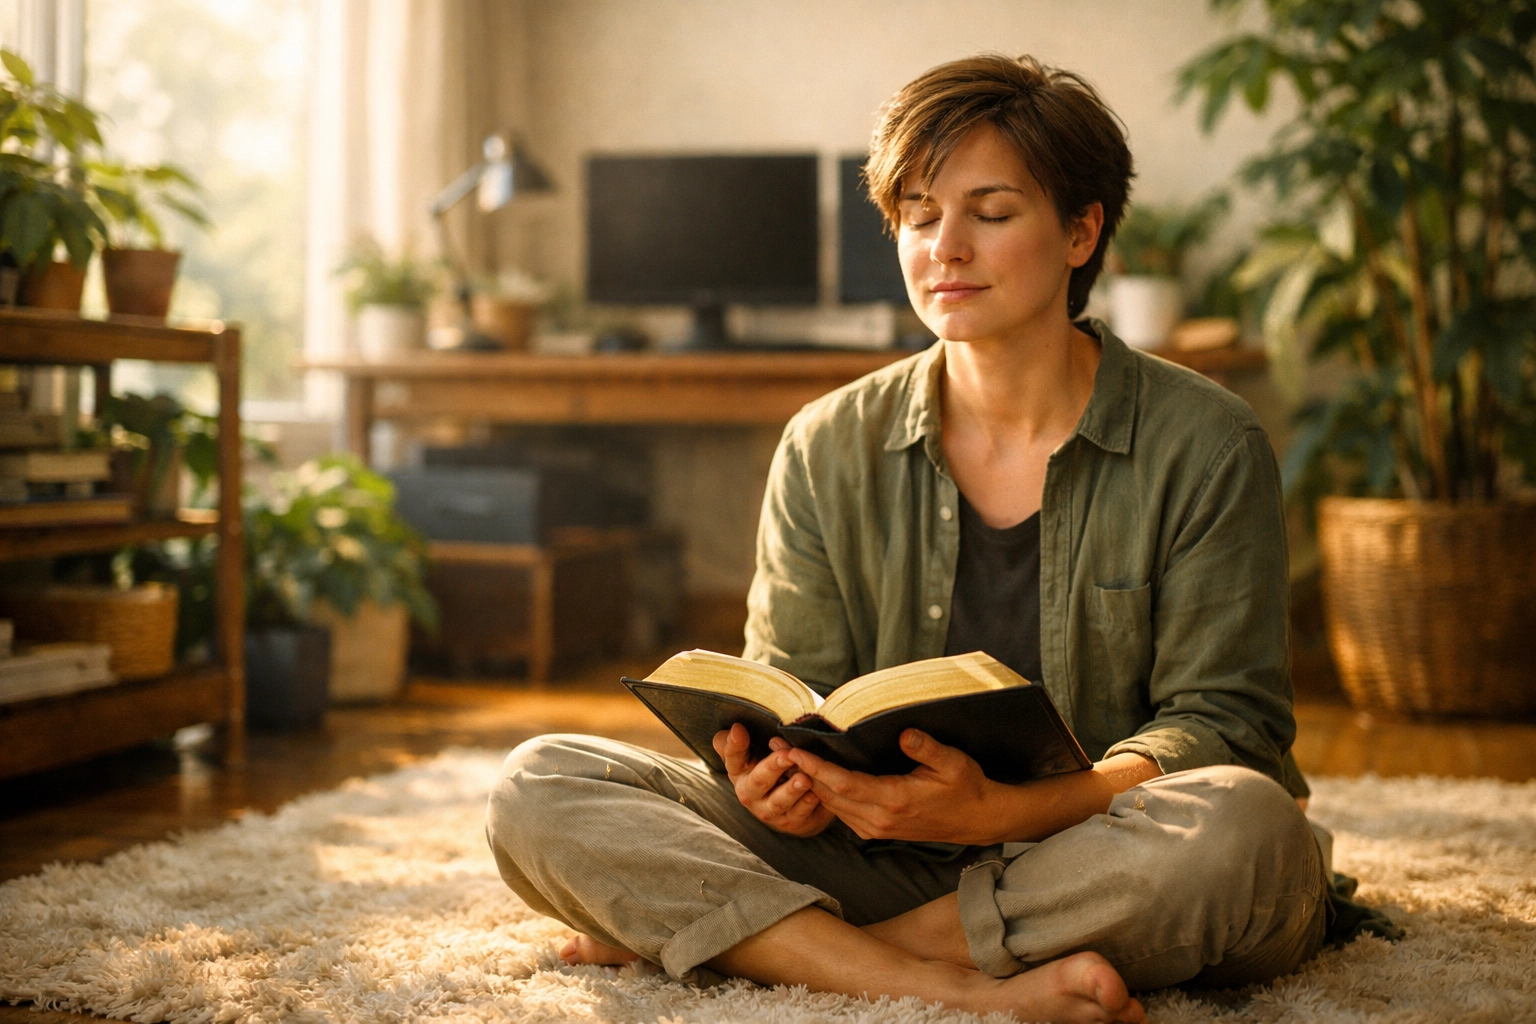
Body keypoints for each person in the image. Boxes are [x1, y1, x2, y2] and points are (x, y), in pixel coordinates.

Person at [485, 54, 1327, 1023]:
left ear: (1082, 230)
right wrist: (774, 784)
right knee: (538, 784)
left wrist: (999, 814)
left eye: (992, 213)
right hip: (877, 850)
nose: (945, 248)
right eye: (920, 216)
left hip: (1094, 848)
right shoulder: (825, 444)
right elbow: (791, 688)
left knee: (1247, 830)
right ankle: (936, 980)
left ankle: (773, 946)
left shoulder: (1209, 443)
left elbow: (1225, 731)